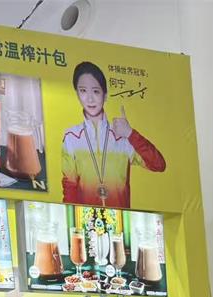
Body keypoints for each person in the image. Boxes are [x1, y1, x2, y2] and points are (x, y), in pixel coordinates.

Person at [62, 61, 165, 208]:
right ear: (77, 94)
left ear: (105, 95)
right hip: (87, 220)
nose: (90, 99)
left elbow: (159, 164)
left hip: (121, 219)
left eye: (96, 91)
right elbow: (70, 187)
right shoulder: (71, 137)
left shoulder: (122, 136)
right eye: (83, 91)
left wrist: (130, 133)